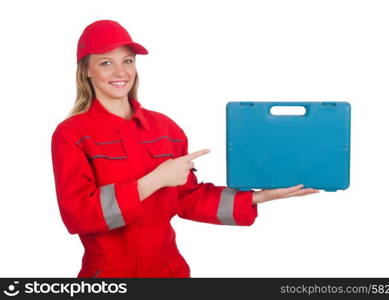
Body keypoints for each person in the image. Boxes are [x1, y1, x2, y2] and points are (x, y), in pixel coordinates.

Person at [50, 19, 320, 278]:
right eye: (106, 63)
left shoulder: (165, 129)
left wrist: (258, 197)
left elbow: (187, 198)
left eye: (128, 61)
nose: (121, 72)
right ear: (86, 69)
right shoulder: (71, 135)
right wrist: (155, 180)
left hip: (169, 274)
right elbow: (78, 215)